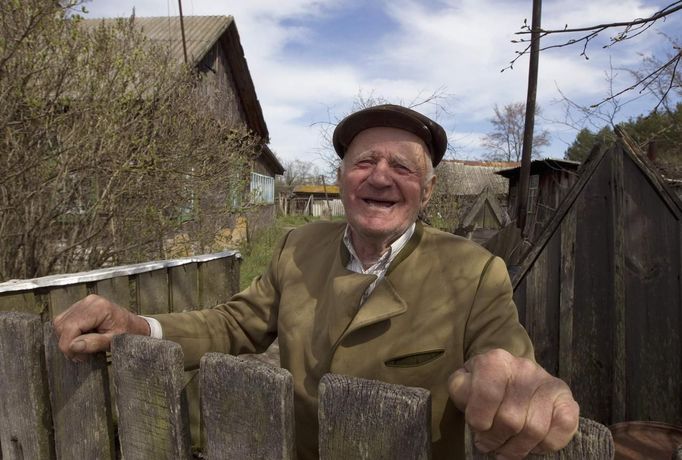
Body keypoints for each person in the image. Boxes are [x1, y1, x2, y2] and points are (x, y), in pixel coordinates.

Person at [54, 104, 579, 460]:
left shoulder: (472, 270)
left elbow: (505, 359)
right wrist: (137, 326)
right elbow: (234, 324)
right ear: (341, 177)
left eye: (402, 166)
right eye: (364, 161)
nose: (380, 176)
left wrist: (518, 381)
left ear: (429, 189)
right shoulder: (297, 245)